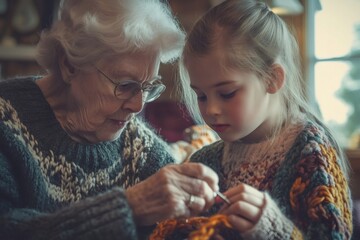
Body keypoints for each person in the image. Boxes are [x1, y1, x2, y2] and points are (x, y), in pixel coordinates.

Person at [0, 0, 221, 239]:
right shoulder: (6, 122)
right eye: (125, 85)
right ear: (70, 66)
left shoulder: (138, 148)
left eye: (148, 87)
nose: (137, 106)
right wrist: (128, 207)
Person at [177, 0, 353, 239]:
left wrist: (274, 230)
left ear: (272, 78)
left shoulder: (311, 153)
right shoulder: (204, 162)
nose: (212, 109)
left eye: (227, 93)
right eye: (201, 96)